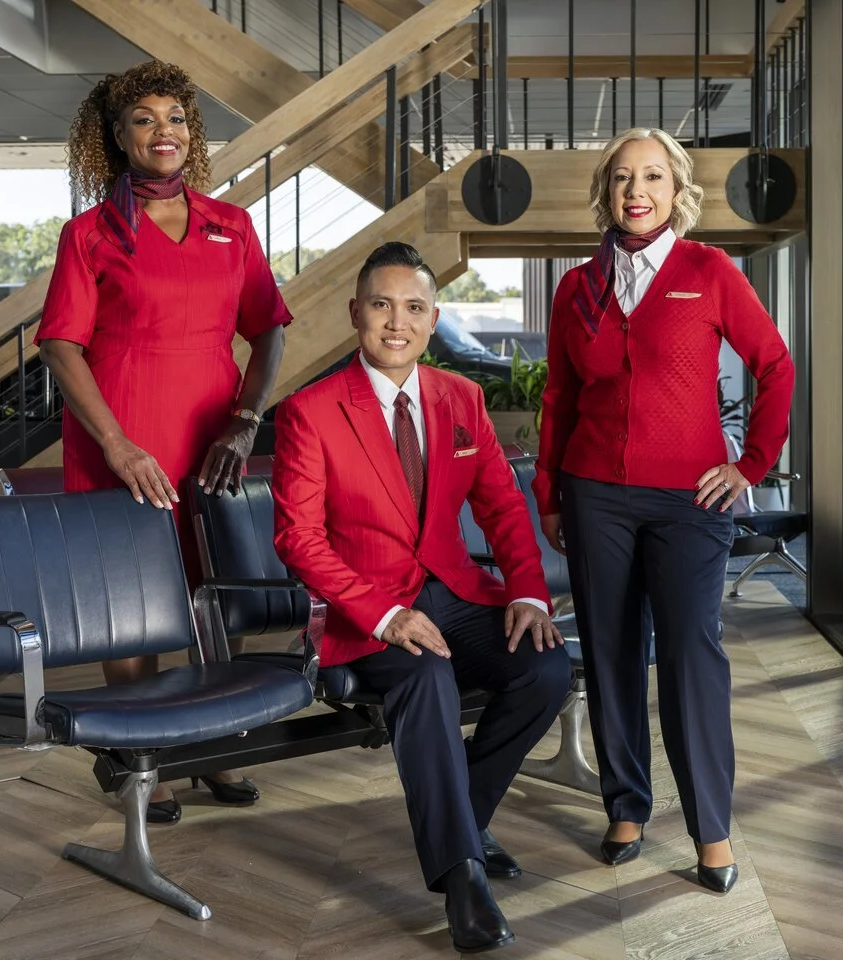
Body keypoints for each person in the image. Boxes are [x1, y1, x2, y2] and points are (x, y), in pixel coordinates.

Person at [272, 242, 571, 954]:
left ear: (434, 319)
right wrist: (381, 613)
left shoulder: (460, 399)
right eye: (381, 306)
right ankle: (462, 876)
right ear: (356, 314)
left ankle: (459, 822)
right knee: (426, 678)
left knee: (546, 670)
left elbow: (502, 506)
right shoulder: (310, 412)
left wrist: (527, 591)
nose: (396, 323)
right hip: (366, 613)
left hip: (456, 592)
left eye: (412, 307)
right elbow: (297, 538)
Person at [533, 128, 796, 894]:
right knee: (612, 651)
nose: (635, 191)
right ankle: (625, 804)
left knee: (690, 655)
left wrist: (749, 465)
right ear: (605, 193)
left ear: (678, 191)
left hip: (689, 500)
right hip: (594, 495)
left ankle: (710, 826)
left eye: (651, 176)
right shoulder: (575, 288)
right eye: (621, 178)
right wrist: (550, 492)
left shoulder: (708, 272)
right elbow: (559, 398)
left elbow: (775, 364)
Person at [37, 61, 290, 823]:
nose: (164, 132)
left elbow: (269, 327)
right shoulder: (90, 234)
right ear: (116, 137)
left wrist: (245, 422)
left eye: (176, 117)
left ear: (193, 133)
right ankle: (136, 759)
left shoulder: (231, 225)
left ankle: (215, 744)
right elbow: (59, 346)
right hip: (121, 446)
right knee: (136, 605)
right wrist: (115, 445)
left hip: (211, 443)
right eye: (144, 119)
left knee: (221, 592)